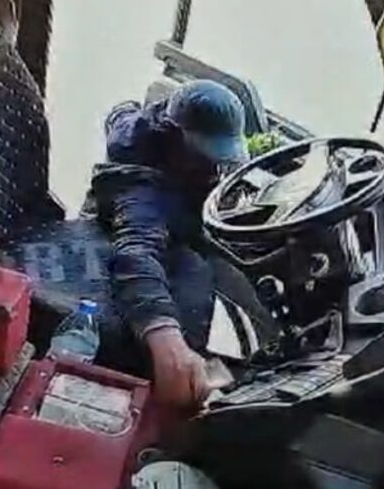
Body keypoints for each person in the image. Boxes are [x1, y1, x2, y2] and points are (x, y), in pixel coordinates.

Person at [90, 79, 276, 409]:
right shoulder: (140, 189)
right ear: (174, 137)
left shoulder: (152, 118)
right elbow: (137, 253)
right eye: (205, 158)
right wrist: (166, 340)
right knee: (203, 273)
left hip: (178, 205)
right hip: (156, 230)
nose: (214, 170)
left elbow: (121, 111)